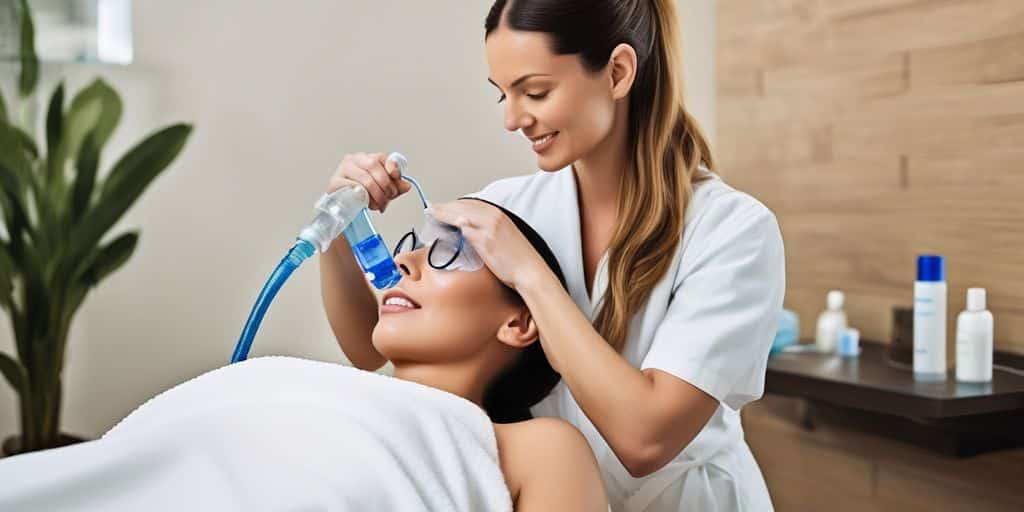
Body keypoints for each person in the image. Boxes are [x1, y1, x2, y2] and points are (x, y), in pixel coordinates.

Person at [320, 1, 785, 510]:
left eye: (535, 91)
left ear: (618, 71)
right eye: (502, 94)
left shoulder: (732, 231)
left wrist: (529, 274)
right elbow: (372, 348)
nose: (512, 118)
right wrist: (344, 224)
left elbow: (646, 438)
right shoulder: (508, 206)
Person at [0, 204, 609, 512]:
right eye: (408, 246)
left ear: (519, 319)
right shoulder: (312, 389)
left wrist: (532, 272)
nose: (406, 263)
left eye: (450, 252)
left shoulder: (532, 447)